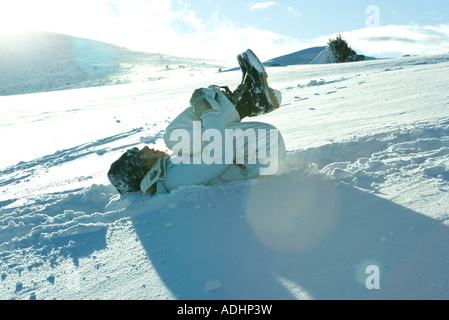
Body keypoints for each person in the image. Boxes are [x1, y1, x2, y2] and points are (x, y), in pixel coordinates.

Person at [108, 49, 286, 196]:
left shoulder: (169, 172)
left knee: (182, 139)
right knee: (175, 137)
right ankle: (248, 101)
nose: (145, 148)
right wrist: (208, 111)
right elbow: (219, 155)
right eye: (139, 155)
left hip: (260, 148)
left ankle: (249, 101)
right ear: (139, 170)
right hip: (263, 148)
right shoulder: (173, 178)